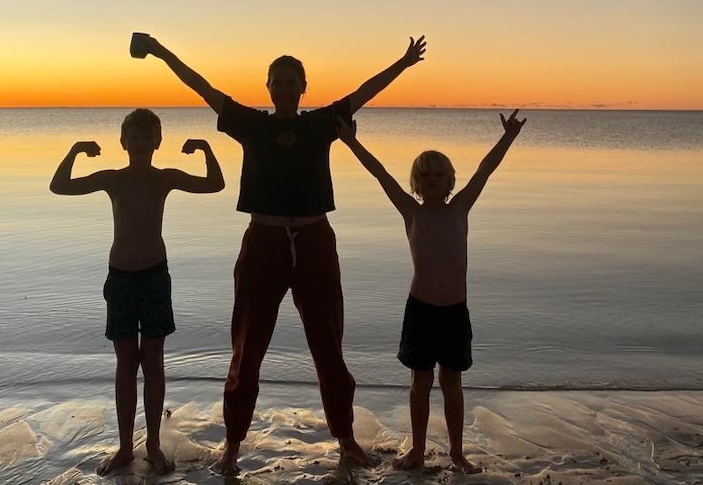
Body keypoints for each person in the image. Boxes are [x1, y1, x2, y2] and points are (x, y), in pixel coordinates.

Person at [130, 32, 426, 473]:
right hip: (263, 243)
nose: (286, 89)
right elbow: (203, 87)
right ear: (268, 87)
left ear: (303, 87)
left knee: (328, 346)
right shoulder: (253, 125)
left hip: (314, 243)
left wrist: (402, 63)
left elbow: (364, 92)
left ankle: (346, 440)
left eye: (293, 82)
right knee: (247, 349)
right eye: (278, 82)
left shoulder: (320, 123)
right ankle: (232, 445)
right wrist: (159, 51)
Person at [336, 110, 526, 474]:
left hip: (455, 311)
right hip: (420, 310)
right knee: (419, 383)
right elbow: (380, 174)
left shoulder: (461, 208)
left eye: (439, 174)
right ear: (416, 184)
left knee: (452, 384)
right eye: (425, 176)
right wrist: (351, 141)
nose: (433, 180)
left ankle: (456, 453)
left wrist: (508, 137)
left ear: (451, 180)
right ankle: (418, 450)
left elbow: (486, 169)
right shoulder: (411, 212)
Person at [49, 109, 225, 476]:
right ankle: (126, 447)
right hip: (121, 279)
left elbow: (215, 184)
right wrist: (76, 150)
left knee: (154, 361)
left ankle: (154, 444)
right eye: (135, 137)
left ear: (157, 142)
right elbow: (60, 186)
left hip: (155, 278)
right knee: (126, 363)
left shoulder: (165, 178)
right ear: (123, 142)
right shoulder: (113, 179)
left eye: (148, 137)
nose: (141, 143)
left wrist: (207, 148)